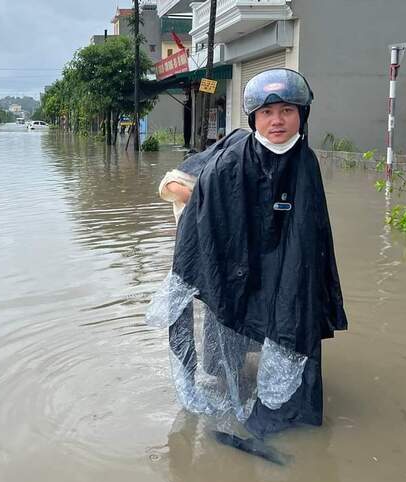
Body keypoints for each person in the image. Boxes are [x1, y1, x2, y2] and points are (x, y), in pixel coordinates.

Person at [148, 68, 347, 440]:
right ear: (254, 116)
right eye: (268, 112)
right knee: (230, 314)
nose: (277, 120)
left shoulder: (306, 162)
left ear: (302, 115)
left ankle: (286, 409)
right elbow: (186, 196)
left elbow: (311, 229)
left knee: (290, 315)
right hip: (239, 260)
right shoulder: (229, 158)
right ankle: (227, 378)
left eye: (287, 110)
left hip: (287, 262)